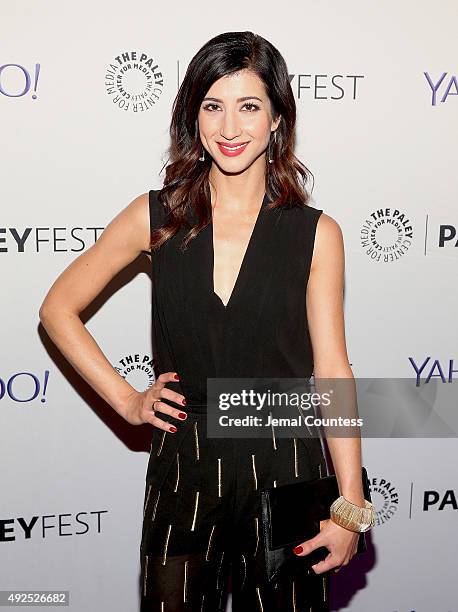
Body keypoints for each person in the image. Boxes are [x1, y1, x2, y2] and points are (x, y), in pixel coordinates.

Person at [39, 31, 373, 612]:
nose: (230, 127)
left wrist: (349, 504)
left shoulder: (316, 234)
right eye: (212, 106)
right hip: (184, 469)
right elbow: (57, 308)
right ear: (194, 117)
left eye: (250, 107)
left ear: (277, 120)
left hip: (287, 462)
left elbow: (332, 372)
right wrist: (126, 400)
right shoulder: (158, 216)